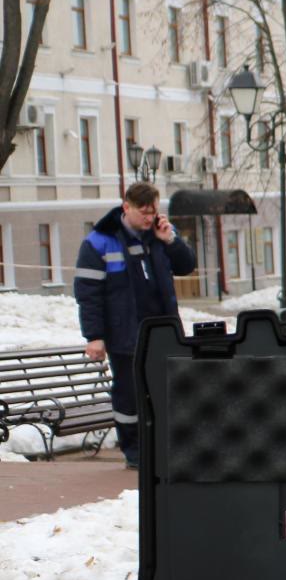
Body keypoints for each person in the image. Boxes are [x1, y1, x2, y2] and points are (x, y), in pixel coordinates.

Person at [74, 181, 196, 470]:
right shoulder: (99, 242)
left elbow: (186, 265)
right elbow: (88, 293)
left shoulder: (160, 233)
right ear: (125, 207)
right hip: (124, 332)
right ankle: (134, 450)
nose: (148, 218)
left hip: (164, 329)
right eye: (143, 212)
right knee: (129, 393)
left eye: (153, 211)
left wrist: (171, 241)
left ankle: (166, 446)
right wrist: (94, 336)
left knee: (166, 389)